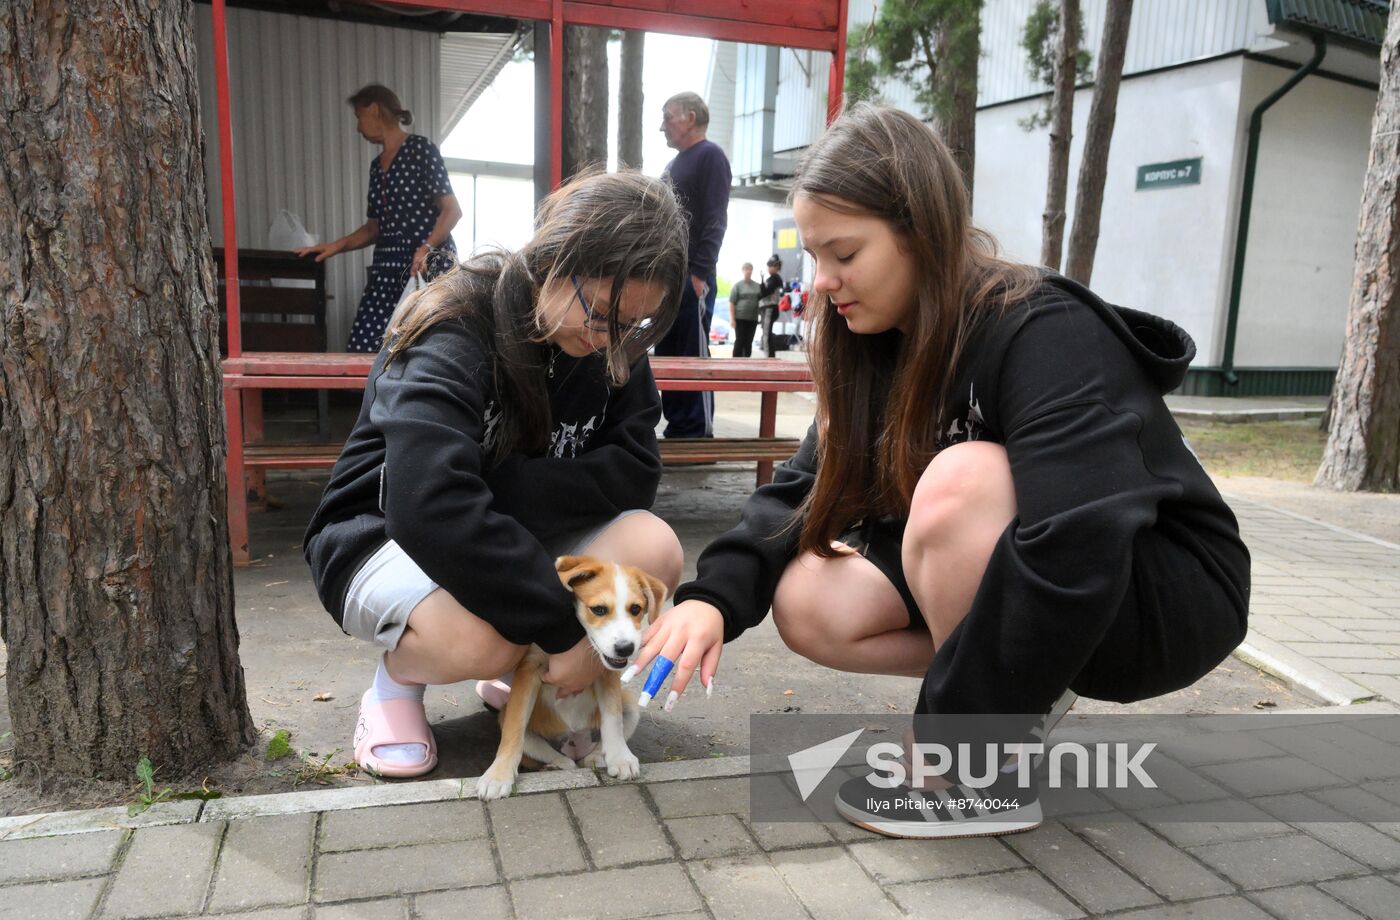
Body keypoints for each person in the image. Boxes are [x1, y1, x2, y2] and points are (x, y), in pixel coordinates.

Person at [625, 104, 1251, 838]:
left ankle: (985, 767)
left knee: (963, 482)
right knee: (810, 599)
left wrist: (947, 732)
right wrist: (712, 600)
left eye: (844, 254)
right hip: (1051, 585)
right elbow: (801, 489)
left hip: (1158, 593)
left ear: (920, 230)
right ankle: (1021, 693)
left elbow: (1078, 539)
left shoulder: (1039, 330)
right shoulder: (875, 342)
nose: (821, 281)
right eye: (816, 256)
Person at [304, 172, 690, 777]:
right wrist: (561, 631)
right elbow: (427, 502)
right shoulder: (456, 322)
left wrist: (498, 486)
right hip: (381, 533)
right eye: (599, 316)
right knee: (491, 635)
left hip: (498, 527)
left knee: (654, 549)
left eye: (634, 326)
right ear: (552, 260)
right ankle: (398, 680)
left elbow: (636, 471)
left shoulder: (611, 343)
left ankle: (521, 673)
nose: (611, 340)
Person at [296, 84, 462, 352]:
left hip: (426, 268)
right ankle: (364, 396)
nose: (358, 128)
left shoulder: (421, 150)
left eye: (359, 117)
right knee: (363, 347)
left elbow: (452, 210)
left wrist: (426, 248)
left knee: (429, 351)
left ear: (374, 109)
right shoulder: (377, 167)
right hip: (387, 268)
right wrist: (333, 246)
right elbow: (374, 228)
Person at [655, 91, 731, 438]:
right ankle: (677, 424)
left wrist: (699, 272)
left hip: (692, 276)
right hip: (670, 276)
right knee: (669, 351)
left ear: (690, 117)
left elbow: (715, 218)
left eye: (668, 117)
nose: (662, 126)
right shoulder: (674, 164)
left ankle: (697, 428)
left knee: (691, 354)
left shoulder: (710, 156)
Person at [727, 262, 762, 357]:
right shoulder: (737, 286)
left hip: (753, 318)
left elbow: (762, 301)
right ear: (742, 271)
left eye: (750, 269)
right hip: (740, 318)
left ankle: (747, 361)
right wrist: (732, 319)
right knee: (740, 340)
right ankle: (736, 362)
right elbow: (731, 303)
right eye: (746, 269)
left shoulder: (757, 286)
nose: (748, 271)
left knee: (749, 341)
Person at [756, 255, 785, 357]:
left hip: (770, 308)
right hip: (768, 308)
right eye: (768, 266)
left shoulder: (775, 278)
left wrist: (762, 281)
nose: (769, 268)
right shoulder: (772, 279)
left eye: (771, 266)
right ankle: (769, 356)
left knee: (766, 334)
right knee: (766, 333)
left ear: (776, 267)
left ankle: (768, 357)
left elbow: (765, 293)